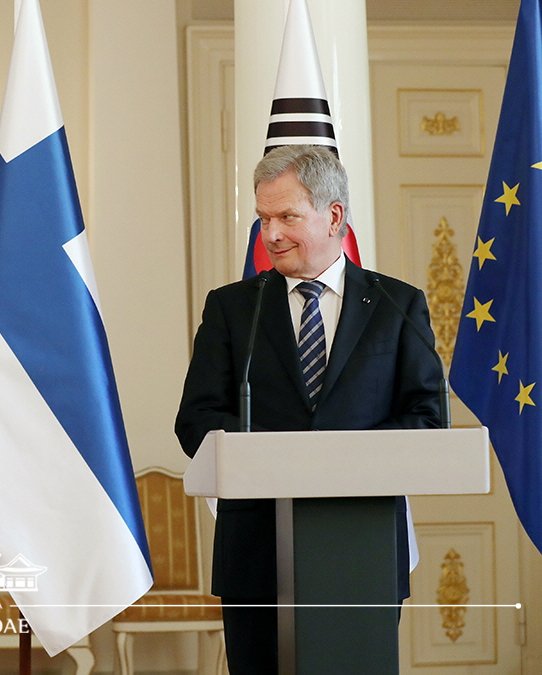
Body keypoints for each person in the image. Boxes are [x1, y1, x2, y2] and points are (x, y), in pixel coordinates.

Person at [173, 145, 442, 674]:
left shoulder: (398, 306)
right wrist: (276, 458)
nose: (270, 234)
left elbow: (426, 416)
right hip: (257, 552)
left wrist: (338, 459)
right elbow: (197, 417)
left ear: (334, 215)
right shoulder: (232, 309)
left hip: (362, 545)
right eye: (263, 218)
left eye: (286, 217)